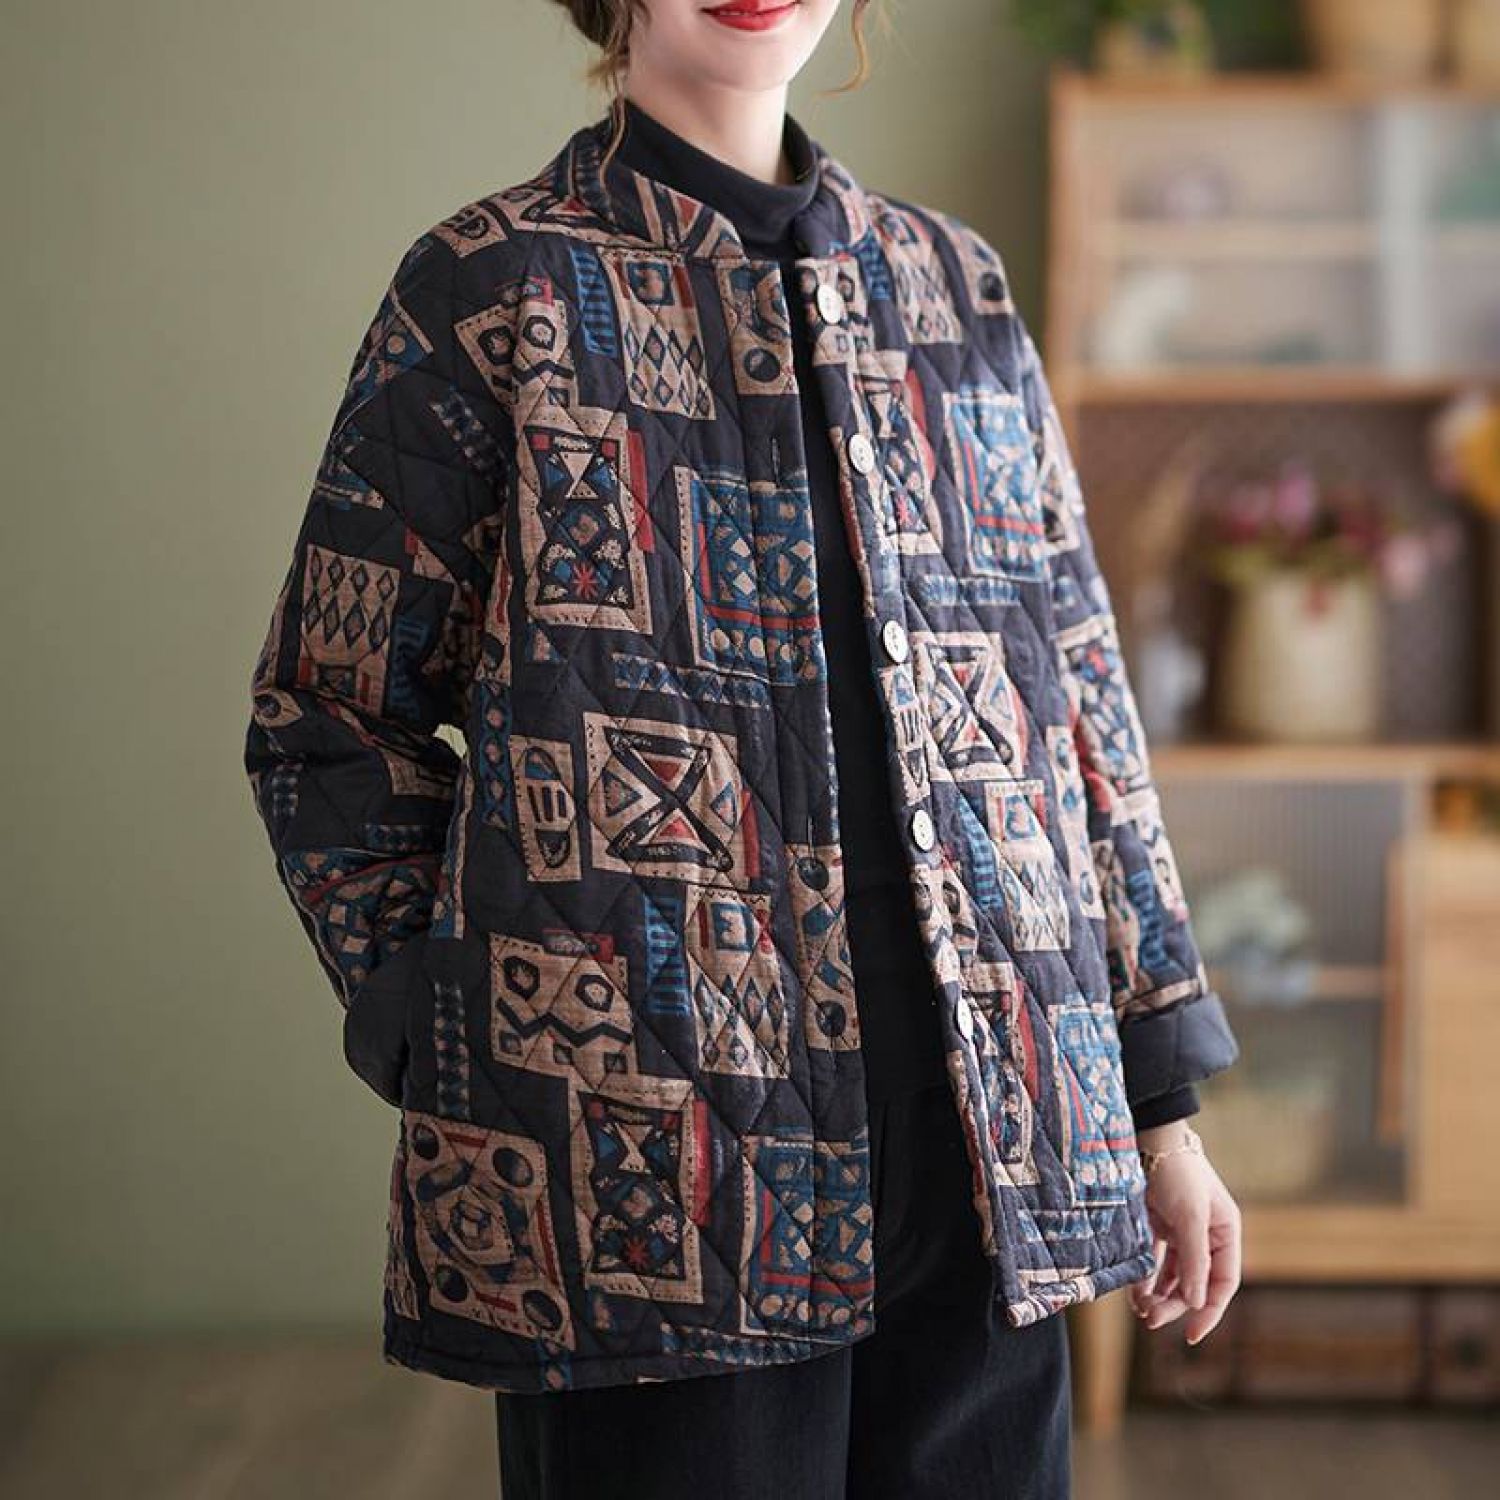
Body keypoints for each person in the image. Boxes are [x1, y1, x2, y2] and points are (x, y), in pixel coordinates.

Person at [243, 2, 1243, 1495]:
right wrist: (444, 1022)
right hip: (650, 1179)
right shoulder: (494, 286)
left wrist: (1160, 1103)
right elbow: (326, 712)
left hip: (992, 1154)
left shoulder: (953, 291)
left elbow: (1080, 717)